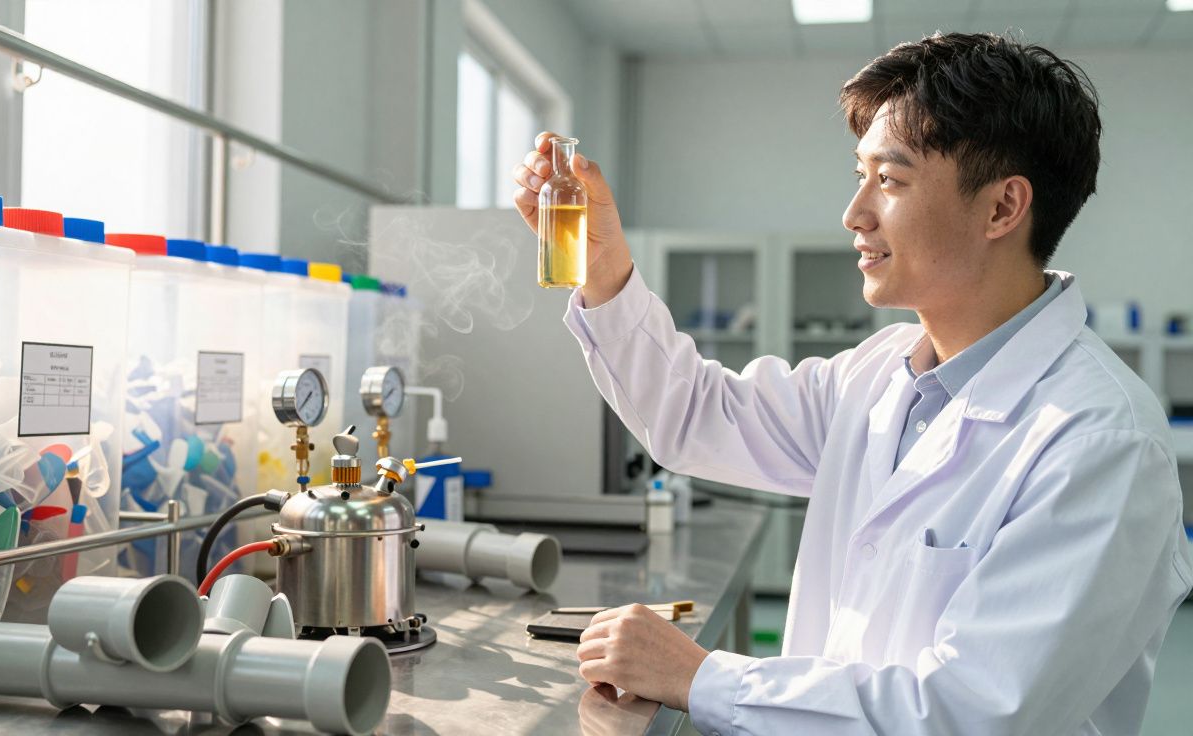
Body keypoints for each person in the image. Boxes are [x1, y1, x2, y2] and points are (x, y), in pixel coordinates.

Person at [511, 32, 1193, 735]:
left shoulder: (1101, 443)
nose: (854, 214)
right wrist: (603, 265)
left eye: (889, 180)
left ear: (1001, 209)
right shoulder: (878, 374)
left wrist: (700, 676)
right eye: (858, 174)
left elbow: (970, 713)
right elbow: (695, 416)